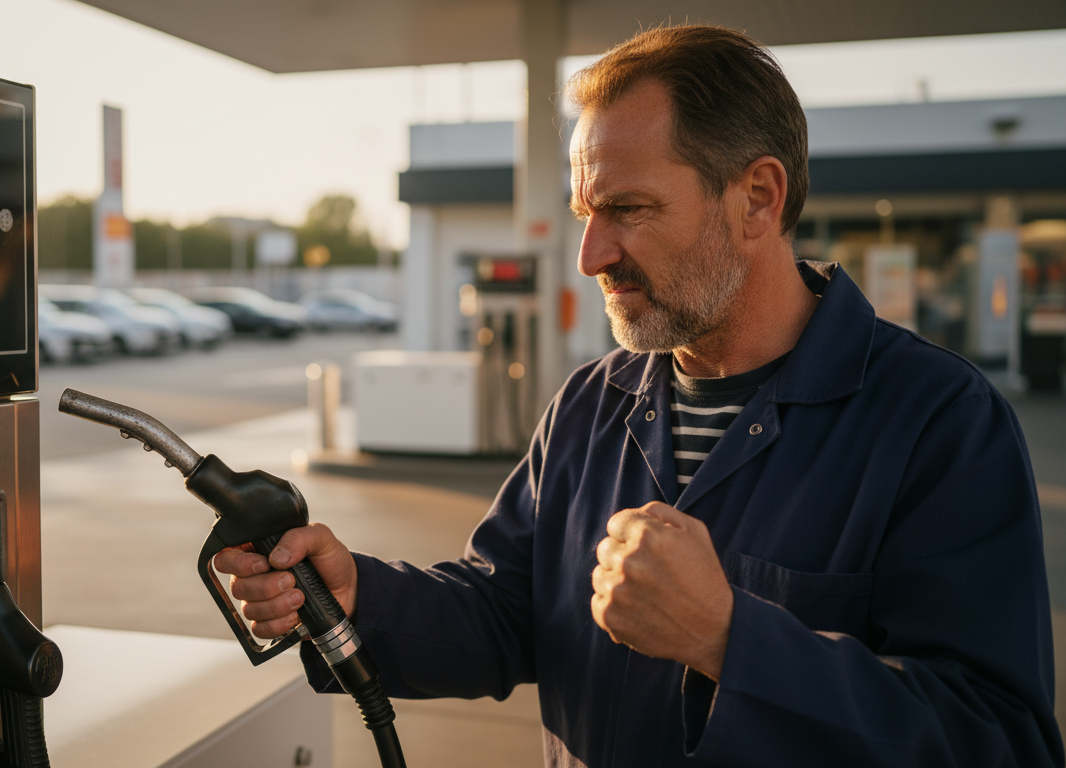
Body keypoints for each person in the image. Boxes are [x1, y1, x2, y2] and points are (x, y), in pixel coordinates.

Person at [216, 25, 1064, 767]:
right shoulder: (591, 404)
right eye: (587, 209)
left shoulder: (938, 423)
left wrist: (731, 642)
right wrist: (357, 593)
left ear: (757, 199)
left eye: (629, 208)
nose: (590, 255)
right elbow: (508, 609)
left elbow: (996, 740)